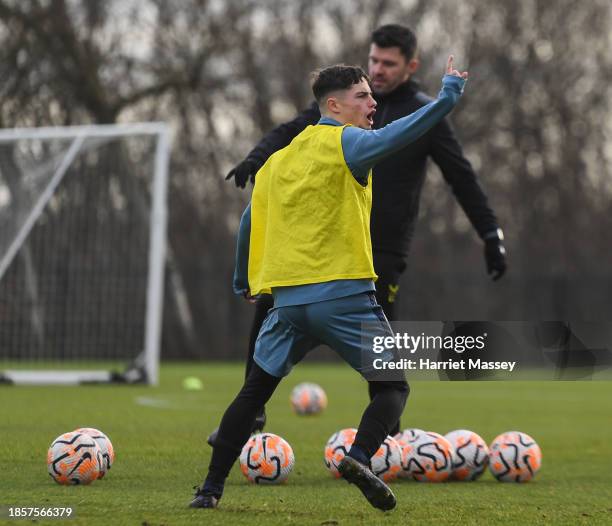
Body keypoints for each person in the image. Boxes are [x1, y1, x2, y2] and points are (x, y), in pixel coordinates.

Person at [191, 57, 468, 510]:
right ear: (334, 105)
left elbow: (247, 224)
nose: (372, 103)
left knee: (253, 394)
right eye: (363, 96)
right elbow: (402, 135)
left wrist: (244, 279)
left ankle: (209, 490)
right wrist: (448, 96)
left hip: (288, 305)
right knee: (392, 387)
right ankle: (358, 458)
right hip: (345, 300)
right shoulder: (349, 143)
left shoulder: (278, 162)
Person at [214, 25, 505, 443]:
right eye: (374, 60)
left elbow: (461, 177)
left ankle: (388, 439)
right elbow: (288, 131)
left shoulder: (420, 112)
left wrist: (490, 233)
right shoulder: (342, 103)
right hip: (319, 249)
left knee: (381, 340)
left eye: (388, 63)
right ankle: (250, 416)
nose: (378, 70)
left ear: (411, 66)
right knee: (267, 316)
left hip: (379, 249)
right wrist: (255, 159)